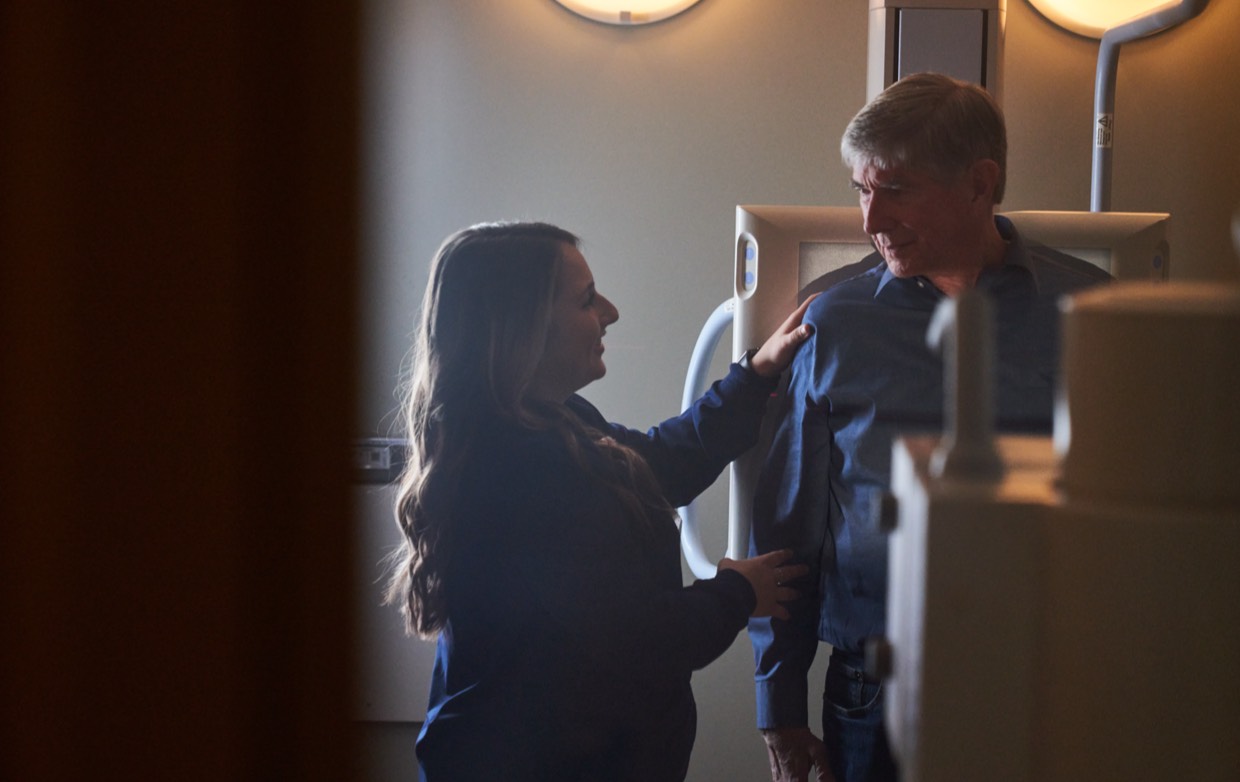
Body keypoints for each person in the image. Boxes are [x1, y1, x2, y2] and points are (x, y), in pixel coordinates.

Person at [747, 73, 1113, 782]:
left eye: (896, 189)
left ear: (981, 185)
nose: (869, 219)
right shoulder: (835, 321)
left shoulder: (1094, 319)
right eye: (861, 189)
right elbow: (788, 530)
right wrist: (778, 704)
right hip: (870, 691)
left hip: (1047, 681)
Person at [385, 220, 815, 782]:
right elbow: (636, 640)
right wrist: (738, 592)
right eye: (587, 300)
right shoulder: (517, 474)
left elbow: (661, 463)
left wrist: (754, 376)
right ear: (522, 329)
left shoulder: (555, 426)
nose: (610, 312)